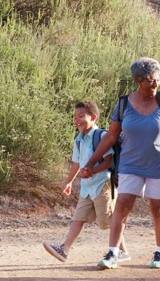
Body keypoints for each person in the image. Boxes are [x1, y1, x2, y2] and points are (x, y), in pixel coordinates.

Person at [80, 57, 160, 270]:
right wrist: (91, 162)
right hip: (130, 163)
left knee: (157, 207)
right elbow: (111, 137)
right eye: (150, 80)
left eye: (157, 79)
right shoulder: (123, 104)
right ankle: (113, 253)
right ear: (138, 80)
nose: (155, 84)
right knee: (122, 204)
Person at [43, 101, 130, 263]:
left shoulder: (102, 137)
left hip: (103, 185)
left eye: (81, 116)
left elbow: (107, 162)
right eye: (75, 117)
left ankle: (122, 251)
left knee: (109, 221)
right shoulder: (79, 139)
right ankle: (64, 249)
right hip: (86, 188)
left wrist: (93, 171)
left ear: (94, 117)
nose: (77, 120)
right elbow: (77, 163)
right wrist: (69, 181)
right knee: (79, 218)